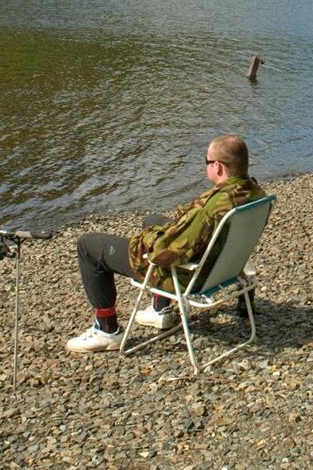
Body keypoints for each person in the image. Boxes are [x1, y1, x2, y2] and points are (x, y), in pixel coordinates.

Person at [66, 134, 267, 354]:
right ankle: (160, 310)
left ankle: (107, 330)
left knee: (88, 246)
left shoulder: (212, 207)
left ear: (218, 167)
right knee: (152, 220)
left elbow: (164, 252)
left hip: (193, 277)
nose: (205, 165)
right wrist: (158, 229)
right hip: (224, 267)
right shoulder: (256, 193)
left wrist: (146, 240)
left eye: (206, 161)